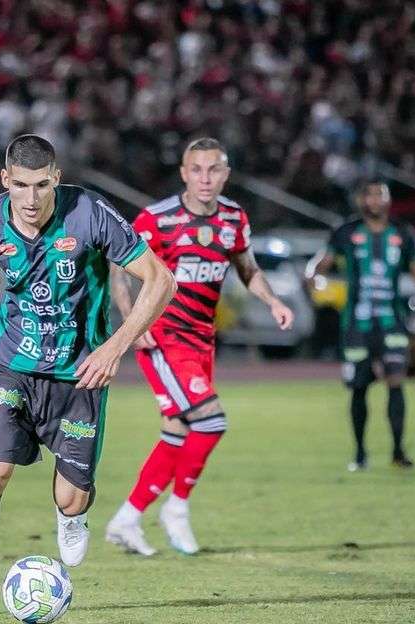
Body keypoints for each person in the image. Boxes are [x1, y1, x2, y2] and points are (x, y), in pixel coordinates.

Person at [0, 134, 176, 620]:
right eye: (21, 185)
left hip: (79, 374)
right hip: (13, 367)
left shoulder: (89, 213)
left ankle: (72, 515)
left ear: (56, 178)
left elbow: (161, 279)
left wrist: (113, 346)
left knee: (71, 497)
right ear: (5, 180)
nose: (32, 198)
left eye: (42, 185)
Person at [104, 137, 295, 557]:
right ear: (184, 173)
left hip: (201, 340)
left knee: (177, 430)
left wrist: (273, 301)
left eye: (213, 169)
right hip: (163, 336)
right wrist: (133, 323)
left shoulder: (233, 218)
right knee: (211, 420)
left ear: (225, 174)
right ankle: (177, 507)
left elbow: (248, 268)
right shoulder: (158, 218)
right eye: (197, 170)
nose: (205, 178)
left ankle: (127, 520)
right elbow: (118, 269)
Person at [306, 179, 415, 472]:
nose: (375, 200)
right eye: (369, 195)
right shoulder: (346, 232)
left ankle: (398, 452)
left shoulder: (402, 233)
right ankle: (359, 454)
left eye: (380, 194)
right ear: (361, 200)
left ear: (388, 199)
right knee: (359, 387)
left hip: (391, 323)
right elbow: (319, 265)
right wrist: (313, 279)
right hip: (357, 325)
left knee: (396, 382)